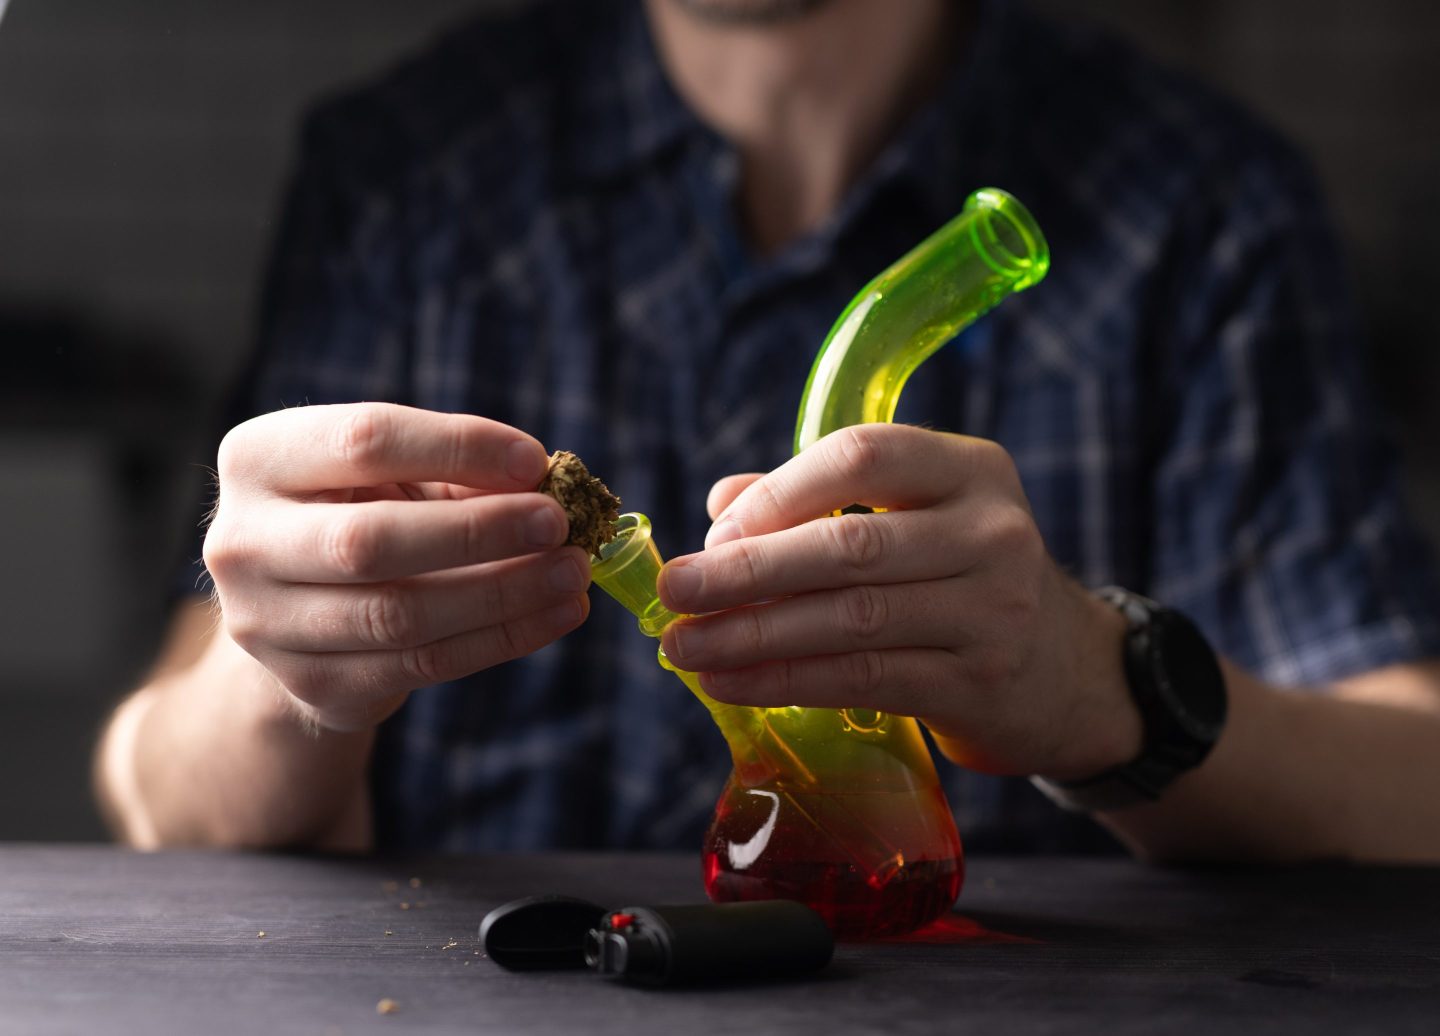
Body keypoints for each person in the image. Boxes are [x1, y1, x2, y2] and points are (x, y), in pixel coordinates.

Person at [96, 0, 1440, 862]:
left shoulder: (1203, 210)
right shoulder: (404, 178)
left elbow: (1414, 783)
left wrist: (1096, 688)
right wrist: (290, 678)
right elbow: (161, 796)